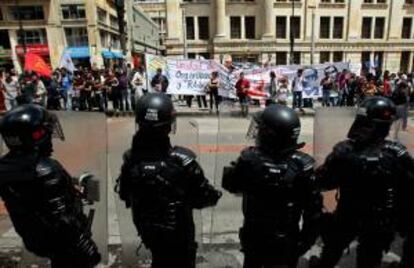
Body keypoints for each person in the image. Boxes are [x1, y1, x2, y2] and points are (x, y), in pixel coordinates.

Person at [116, 93, 222, 268]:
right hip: (180, 237)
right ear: (168, 125)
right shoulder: (182, 161)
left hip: (149, 234)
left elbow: (124, 194)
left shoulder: (131, 159)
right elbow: (205, 197)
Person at [315, 96, 414, 268]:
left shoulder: (344, 151)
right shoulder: (398, 154)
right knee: (370, 257)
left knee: (333, 248)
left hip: (347, 214)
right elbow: (408, 190)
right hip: (380, 221)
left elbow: (324, 182)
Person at [222, 104, 323, 268]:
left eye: (260, 129)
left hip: (255, 237)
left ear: (270, 135)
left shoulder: (250, 159)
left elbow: (231, 185)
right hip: (286, 240)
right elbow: (314, 213)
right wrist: (303, 244)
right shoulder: (303, 165)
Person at [0, 104, 101, 268]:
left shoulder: (5, 167)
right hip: (64, 244)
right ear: (37, 135)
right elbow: (62, 220)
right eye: (46, 131)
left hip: (35, 237)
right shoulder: (46, 168)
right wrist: (86, 246)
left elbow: (34, 195)